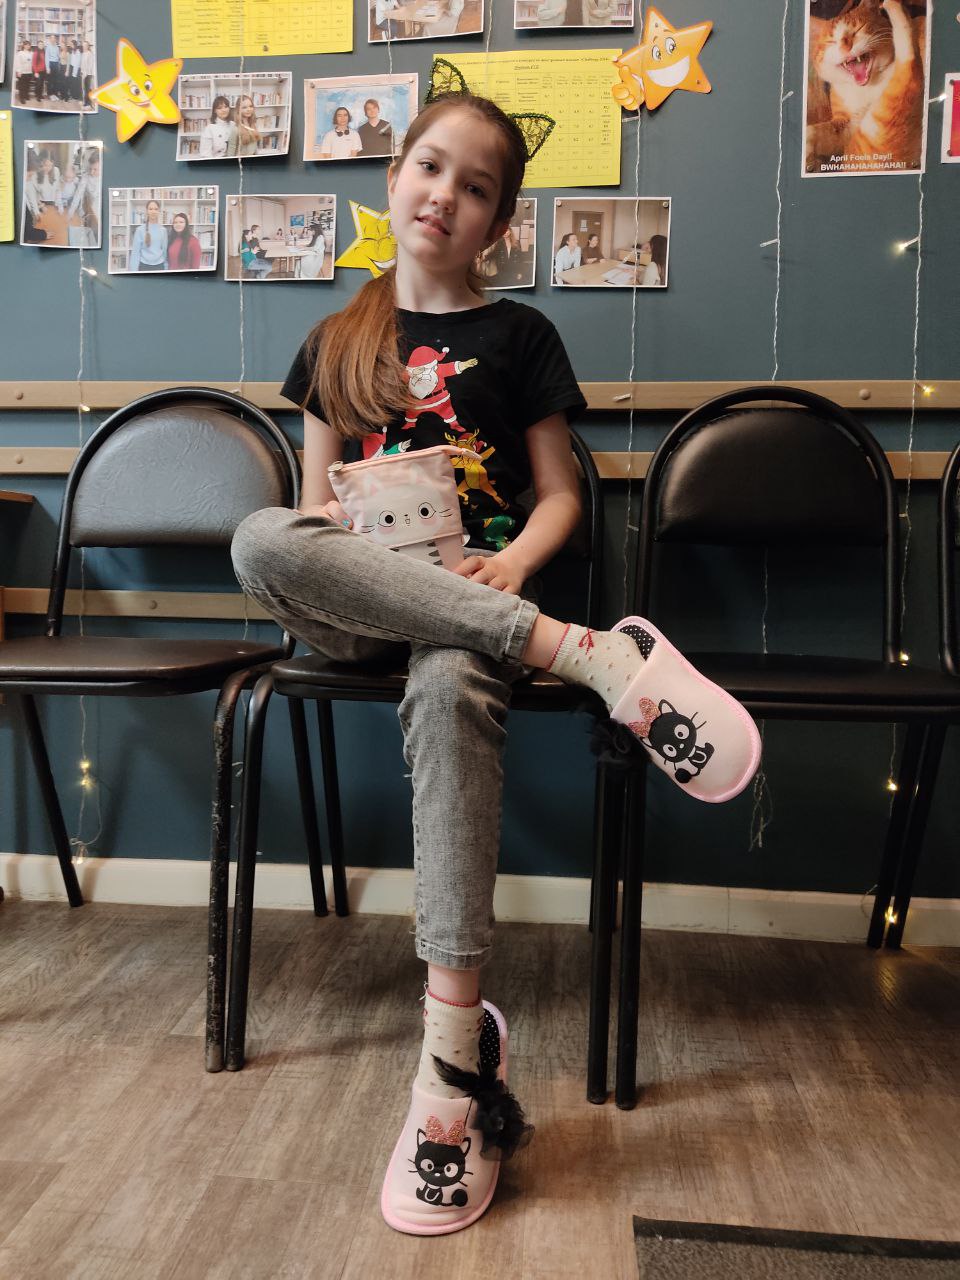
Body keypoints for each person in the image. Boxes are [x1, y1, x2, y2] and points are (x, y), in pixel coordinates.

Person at [230, 90, 760, 1238]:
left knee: (449, 671)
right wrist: (346, 525)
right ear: (393, 178)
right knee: (258, 536)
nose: (445, 196)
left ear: (500, 223)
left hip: (475, 615)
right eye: (430, 167)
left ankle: (450, 1068)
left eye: (476, 188)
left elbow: (560, 495)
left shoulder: (521, 337)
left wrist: (514, 563)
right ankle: (588, 656)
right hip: (367, 606)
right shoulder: (334, 341)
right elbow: (308, 515)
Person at [130, 199, 168, 271]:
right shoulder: (139, 230)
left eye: (156, 209)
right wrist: (133, 271)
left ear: (159, 211)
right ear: (147, 211)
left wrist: (166, 267)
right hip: (144, 266)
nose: (153, 211)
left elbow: (164, 251)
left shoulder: (163, 230)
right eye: (150, 209)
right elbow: (135, 253)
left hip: (160, 266)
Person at [14, 41, 34, 106]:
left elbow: (32, 62)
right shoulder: (20, 53)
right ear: (23, 46)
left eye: (29, 45)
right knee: (22, 86)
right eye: (26, 45)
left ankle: (26, 96)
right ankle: (22, 98)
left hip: (29, 72)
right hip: (22, 72)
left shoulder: (31, 53)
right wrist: (18, 71)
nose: (27, 46)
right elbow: (17, 63)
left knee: (27, 85)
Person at [81, 41, 96, 106]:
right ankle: (86, 102)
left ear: (88, 46)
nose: (84, 47)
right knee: (84, 88)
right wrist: (82, 72)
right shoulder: (83, 53)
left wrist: (86, 74)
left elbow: (90, 65)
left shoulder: (90, 54)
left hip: (88, 74)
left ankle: (87, 103)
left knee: (87, 89)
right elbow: (82, 64)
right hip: (83, 73)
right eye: (83, 45)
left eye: (85, 45)